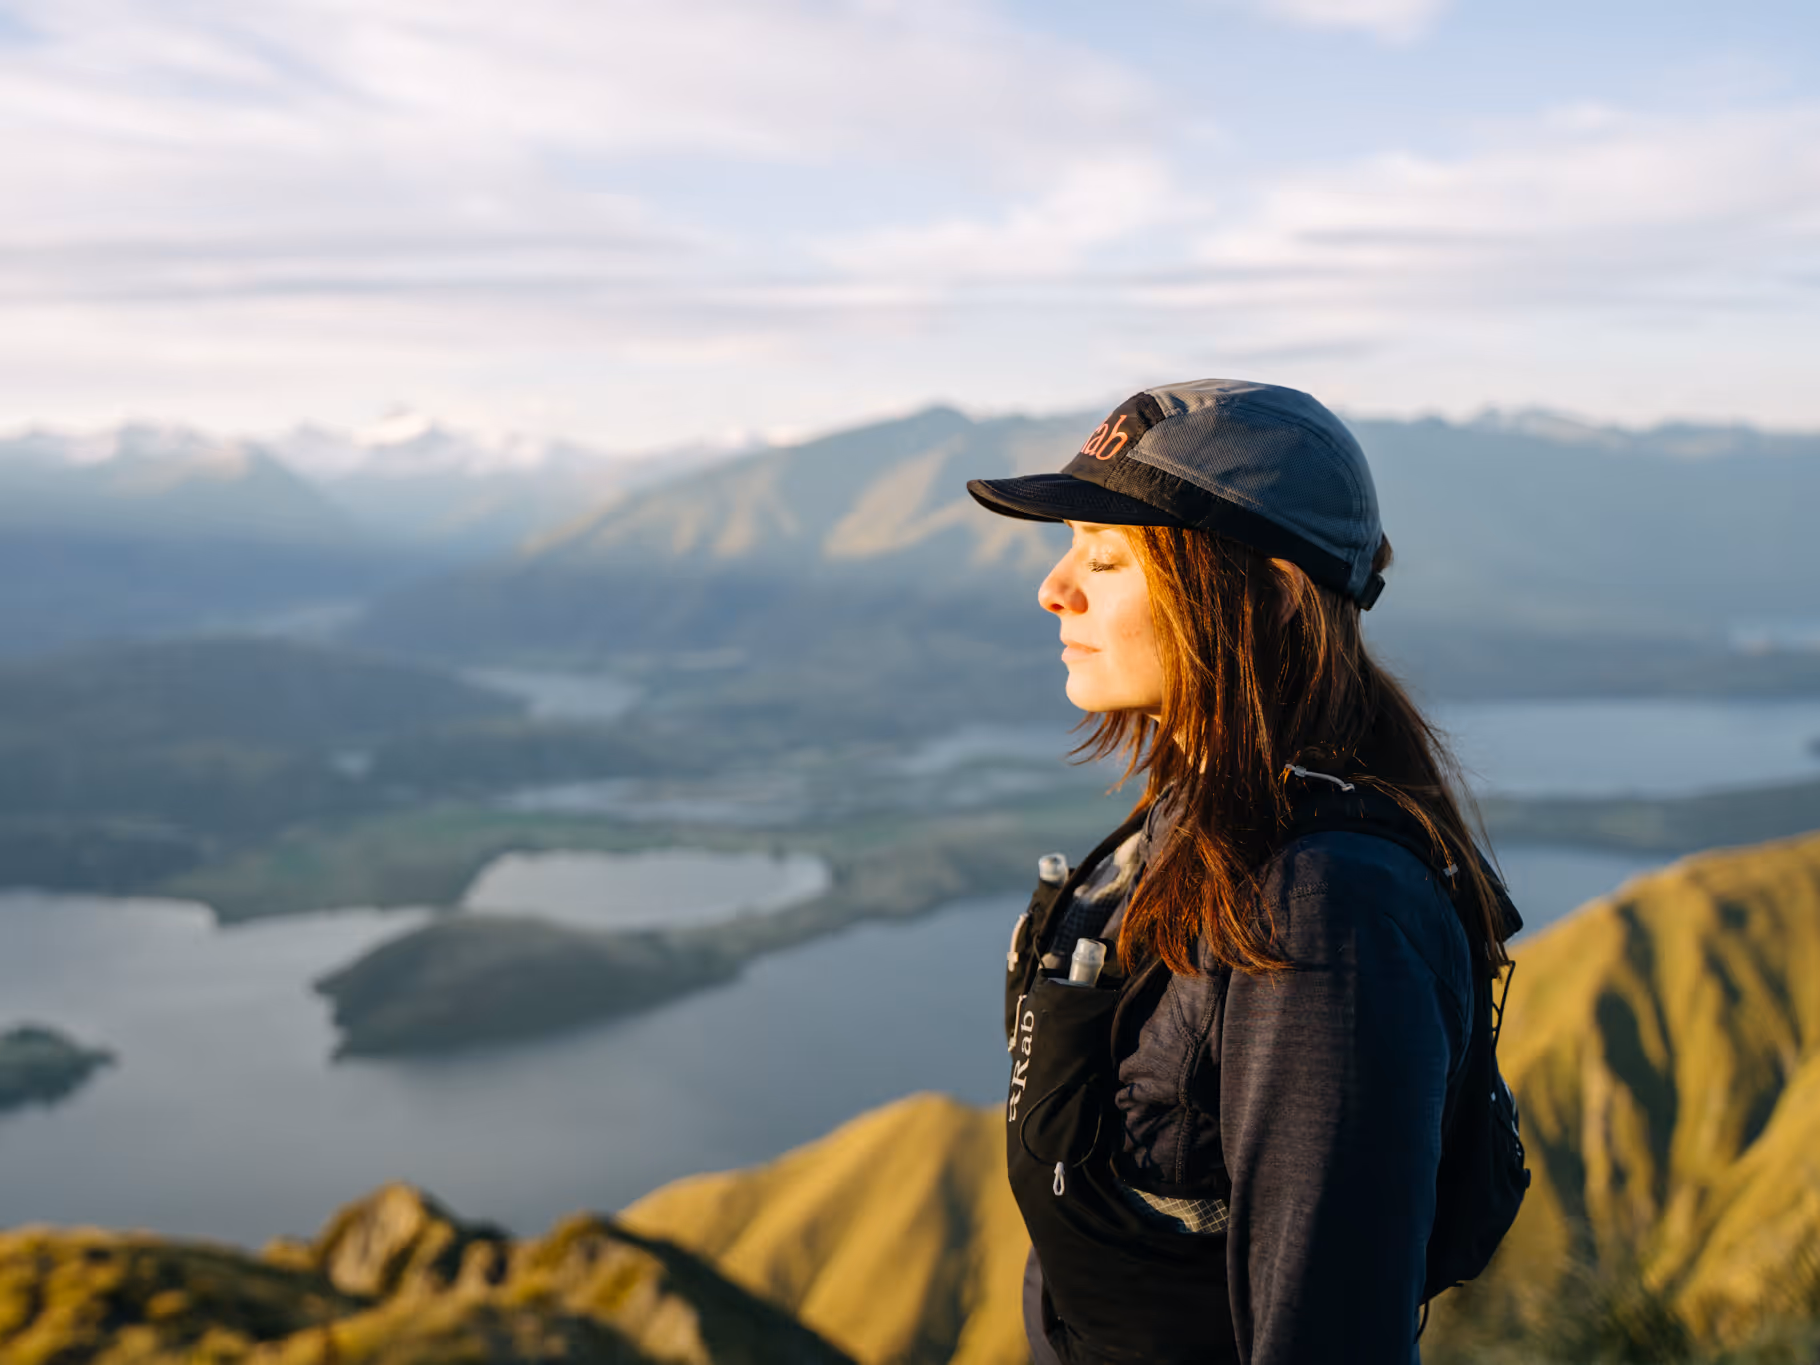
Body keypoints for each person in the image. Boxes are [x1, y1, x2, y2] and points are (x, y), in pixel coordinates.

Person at [966, 379, 1520, 1365]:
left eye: (1105, 557)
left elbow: (1326, 1331)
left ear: (1258, 594)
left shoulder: (1325, 907)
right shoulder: (1203, 825)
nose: (1053, 589)